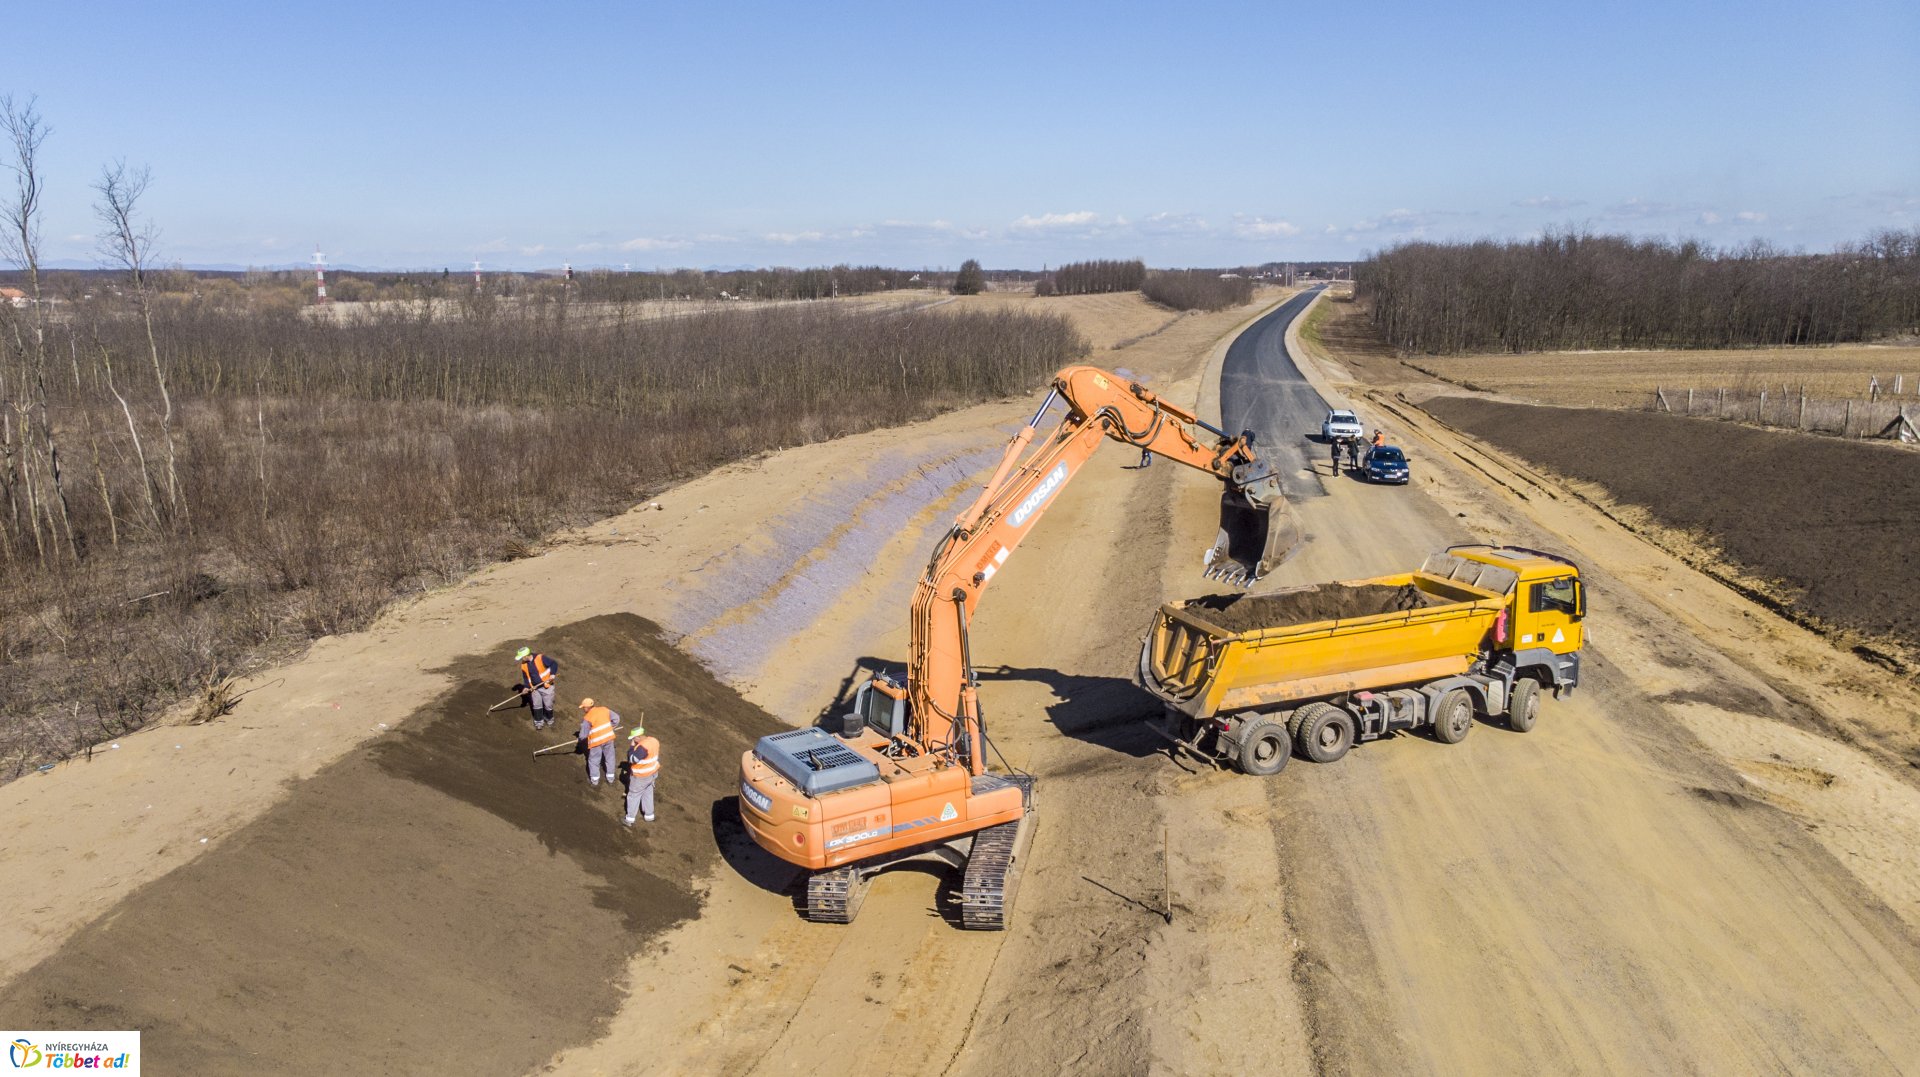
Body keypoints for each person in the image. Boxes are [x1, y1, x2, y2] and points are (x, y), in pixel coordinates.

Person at [577, 697, 621, 788]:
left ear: (587, 707)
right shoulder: (604, 709)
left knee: (594, 760)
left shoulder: (587, 717)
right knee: (610, 757)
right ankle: (610, 778)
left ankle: (595, 780)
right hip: (609, 738)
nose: (583, 710)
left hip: (596, 742)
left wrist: (581, 740)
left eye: (583, 708)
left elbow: (582, 735)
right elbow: (616, 719)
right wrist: (610, 728)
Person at [624, 724, 660, 826]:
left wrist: (632, 747)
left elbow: (632, 759)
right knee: (648, 793)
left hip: (641, 776)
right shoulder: (654, 740)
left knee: (633, 795)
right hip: (652, 773)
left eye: (634, 738)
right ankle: (649, 815)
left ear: (638, 737)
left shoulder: (642, 748)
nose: (633, 740)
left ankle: (629, 819)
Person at [515, 647, 558, 730]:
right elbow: (526, 678)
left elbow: (554, 664)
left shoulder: (540, 658)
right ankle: (538, 722)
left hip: (546, 686)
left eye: (522, 658)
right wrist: (526, 687)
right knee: (536, 705)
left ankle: (549, 719)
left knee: (548, 705)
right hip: (534, 688)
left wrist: (552, 674)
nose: (521, 660)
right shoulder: (523, 665)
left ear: (526, 656)